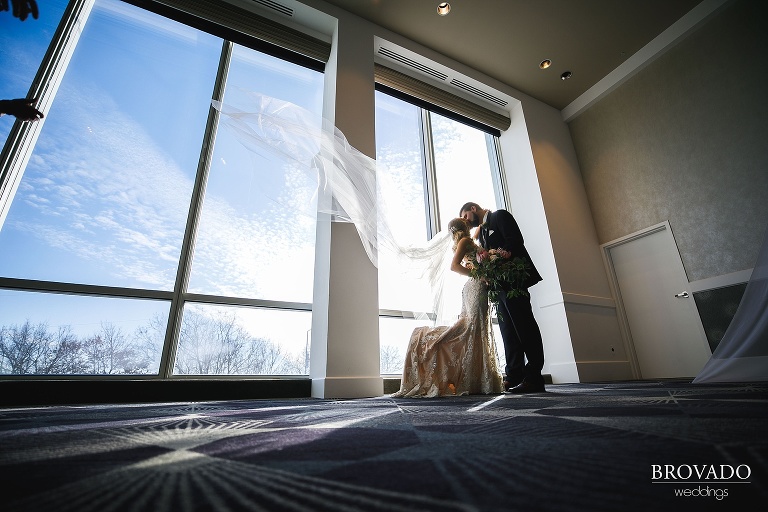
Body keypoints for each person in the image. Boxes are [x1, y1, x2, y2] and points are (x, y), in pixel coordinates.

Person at [392, 217, 504, 398]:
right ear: (464, 226)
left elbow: (474, 239)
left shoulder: (467, 240)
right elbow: (454, 266)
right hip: (475, 286)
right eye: (466, 219)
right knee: (471, 328)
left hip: (476, 287)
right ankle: (431, 344)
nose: (469, 220)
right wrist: (481, 274)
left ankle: (475, 377)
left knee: (474, 329)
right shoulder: (466, 241)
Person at [459, 202, 545, 394]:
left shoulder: (500, 216)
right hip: (498, 287)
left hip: (514, 280)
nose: (466, 221)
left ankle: (534, 377)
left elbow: (515, 240)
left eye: (465, 216)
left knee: (525, 327)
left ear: (473, 209)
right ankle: (514, 375)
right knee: (508, 332)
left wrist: (495, 255)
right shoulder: (481, 234)